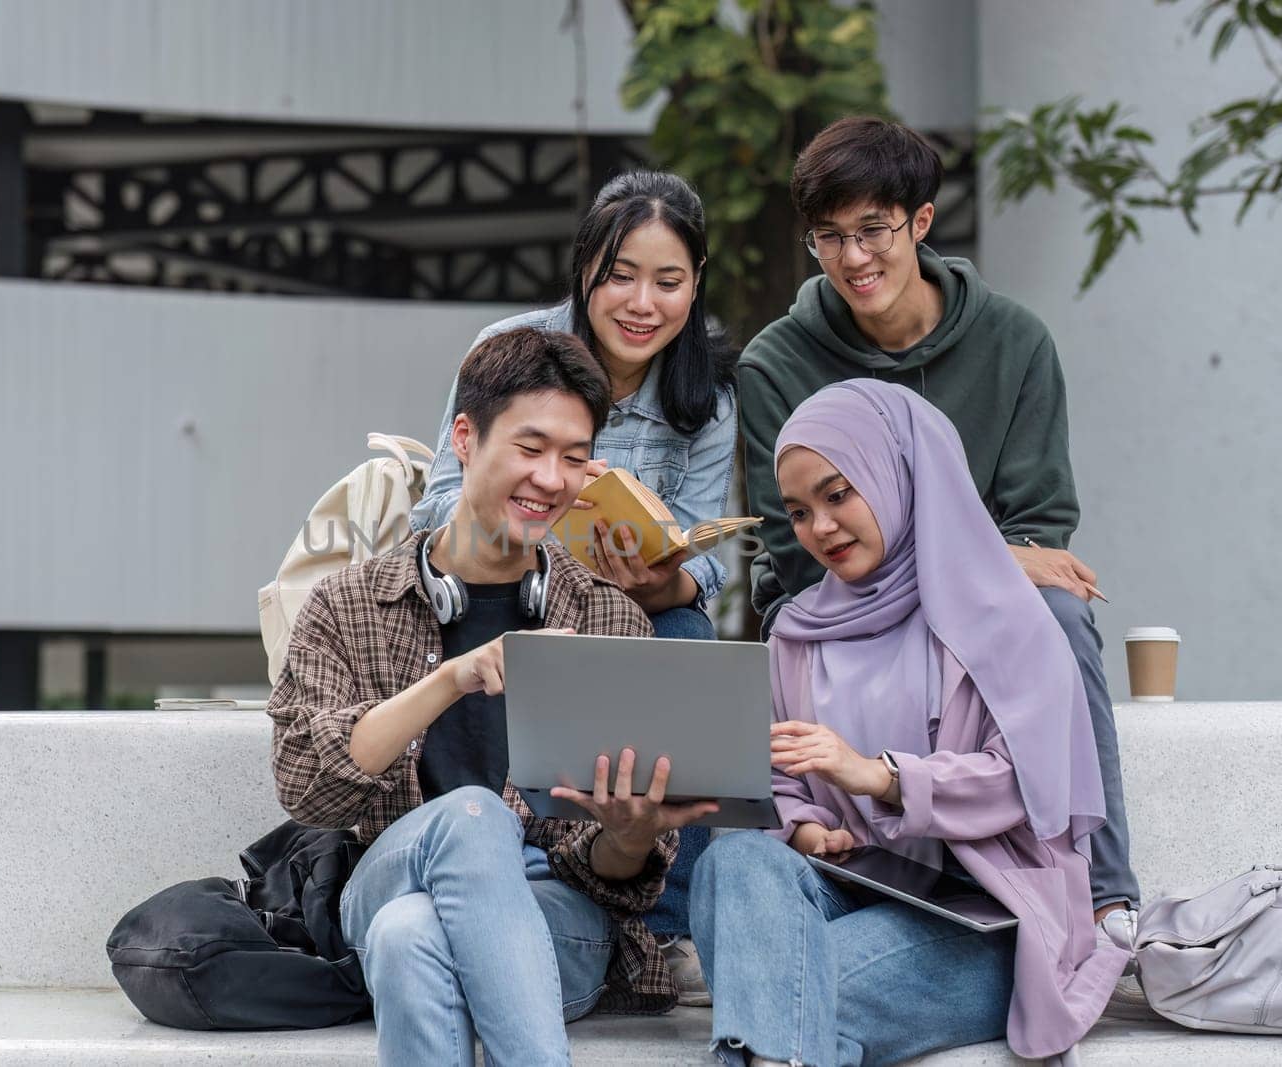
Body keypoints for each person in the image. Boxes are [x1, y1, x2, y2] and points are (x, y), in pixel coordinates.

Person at [267, 327, 716, 1066]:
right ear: (466, 438)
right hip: (387, 875)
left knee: (411, 936)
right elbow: (306, 790)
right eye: (531, 448)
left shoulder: (607, 616)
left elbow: (620, 875)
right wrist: (453, 676)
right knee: (472, 818)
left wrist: (630, 835)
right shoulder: (346, 603)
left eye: (574, 458)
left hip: (555, 916)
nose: (551, 477)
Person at [737, 117, 1140, 933]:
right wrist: (986, 557)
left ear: (921, 222)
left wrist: (984, 568)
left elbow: (1041, 530)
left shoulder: (1014, 342)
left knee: (1062, 615)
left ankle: (1103, 892)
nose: (854, 259)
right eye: (829, 237)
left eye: (874, 230)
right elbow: (799, 550)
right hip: (831, 599)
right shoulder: (774, 364)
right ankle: (839, 855)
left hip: (979, 615)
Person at [691, 380, 1128, 1066]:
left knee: (777, 988)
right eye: (799, 511)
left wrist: (880, 776)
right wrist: (805, 825)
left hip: (984, 924)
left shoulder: (1008, 619)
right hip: (845, 893)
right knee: (736, 859)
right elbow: (780, 774)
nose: (821, 528)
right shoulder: (799, 635)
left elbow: (1025, 783)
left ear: (899, 475)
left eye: (839, 494)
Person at [409, 169, 737, 996]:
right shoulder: (513, 351)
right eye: (620, 274)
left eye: (669, 281)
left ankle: (665, 927)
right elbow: (438, 504)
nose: (642, 302)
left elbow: (709, 558)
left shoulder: (708, 393)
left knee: (691, 643)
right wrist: (542, 535)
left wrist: (664, 582)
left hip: (630, 613)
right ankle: (505, 861)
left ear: (696, 283)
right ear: (585, 265)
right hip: (509, 591)